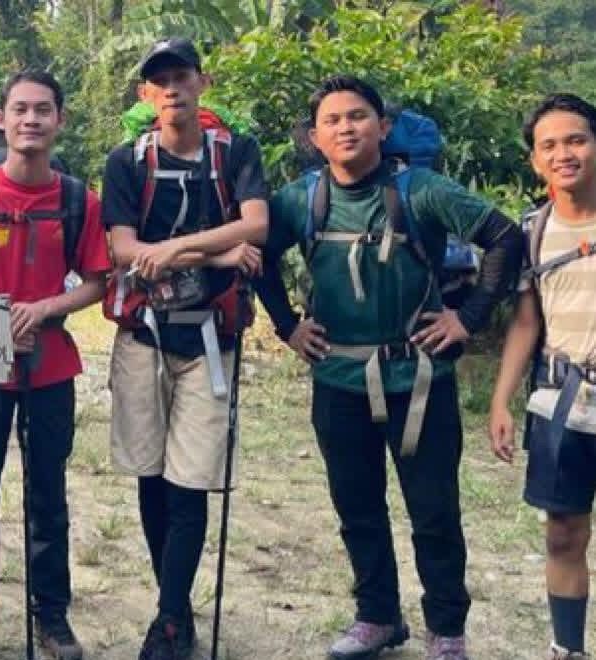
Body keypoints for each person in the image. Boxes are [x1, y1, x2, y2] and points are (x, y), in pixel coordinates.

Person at [255, 75, 523, 660]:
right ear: (314, 136)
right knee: (357, 508)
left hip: (419, 380)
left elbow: (505, 236)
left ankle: (447, 631)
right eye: (333, 120)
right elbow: (258, 256)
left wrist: (467, 318)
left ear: (382, 126)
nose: (346, 128)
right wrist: (286, 325)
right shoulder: (301, 198)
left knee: (434, 512)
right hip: (337, 380)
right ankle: (377, 617)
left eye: (358, 116)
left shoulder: (421, 189)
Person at [99, 37, 269, 659]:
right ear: (145, 94)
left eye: (181, 76)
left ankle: (170, 618)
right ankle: (173, 604)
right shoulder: (126, 161)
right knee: (150, 471)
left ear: (202, 82)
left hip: (210, 335)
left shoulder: (236, 152)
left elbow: (259, 225)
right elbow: (121, 250)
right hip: (143, 333)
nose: (171, 88)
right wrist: (217, 252)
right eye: (158, 80)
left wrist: (171, 249)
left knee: (191, 478)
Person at [0, 69, 111, 660]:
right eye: (20, 109)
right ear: (1, 119)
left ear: (60, 119)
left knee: (49, 497)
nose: (31, 120)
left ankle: (52, 617)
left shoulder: (79, 201)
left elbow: (95, 281)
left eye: (43, 110)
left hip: (51, 368)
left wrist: (43, 310)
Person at [489, 93, 596, 660]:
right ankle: (567, 649)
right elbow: (527, 321)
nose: (564, 153)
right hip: (564, 401)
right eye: (549, 145)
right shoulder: (533, 230)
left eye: (576, 140)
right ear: (535, 160)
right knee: (562, 531)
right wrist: (502, 400)